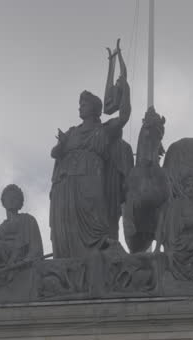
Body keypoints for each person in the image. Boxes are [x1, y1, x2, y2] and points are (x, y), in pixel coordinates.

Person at [49, 43, 132, 258]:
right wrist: (60, 146)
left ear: (94, 108)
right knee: (67, 219)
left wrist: (125, 89)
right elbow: (55, 153)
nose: (79, 107)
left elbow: (124, 116)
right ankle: (69, 258)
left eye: (83, 104)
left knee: (93, 215)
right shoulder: (72, 132)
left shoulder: (105, 130)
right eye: (79, 104)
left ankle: (100, 249)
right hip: (66, 180)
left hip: (91, 176)